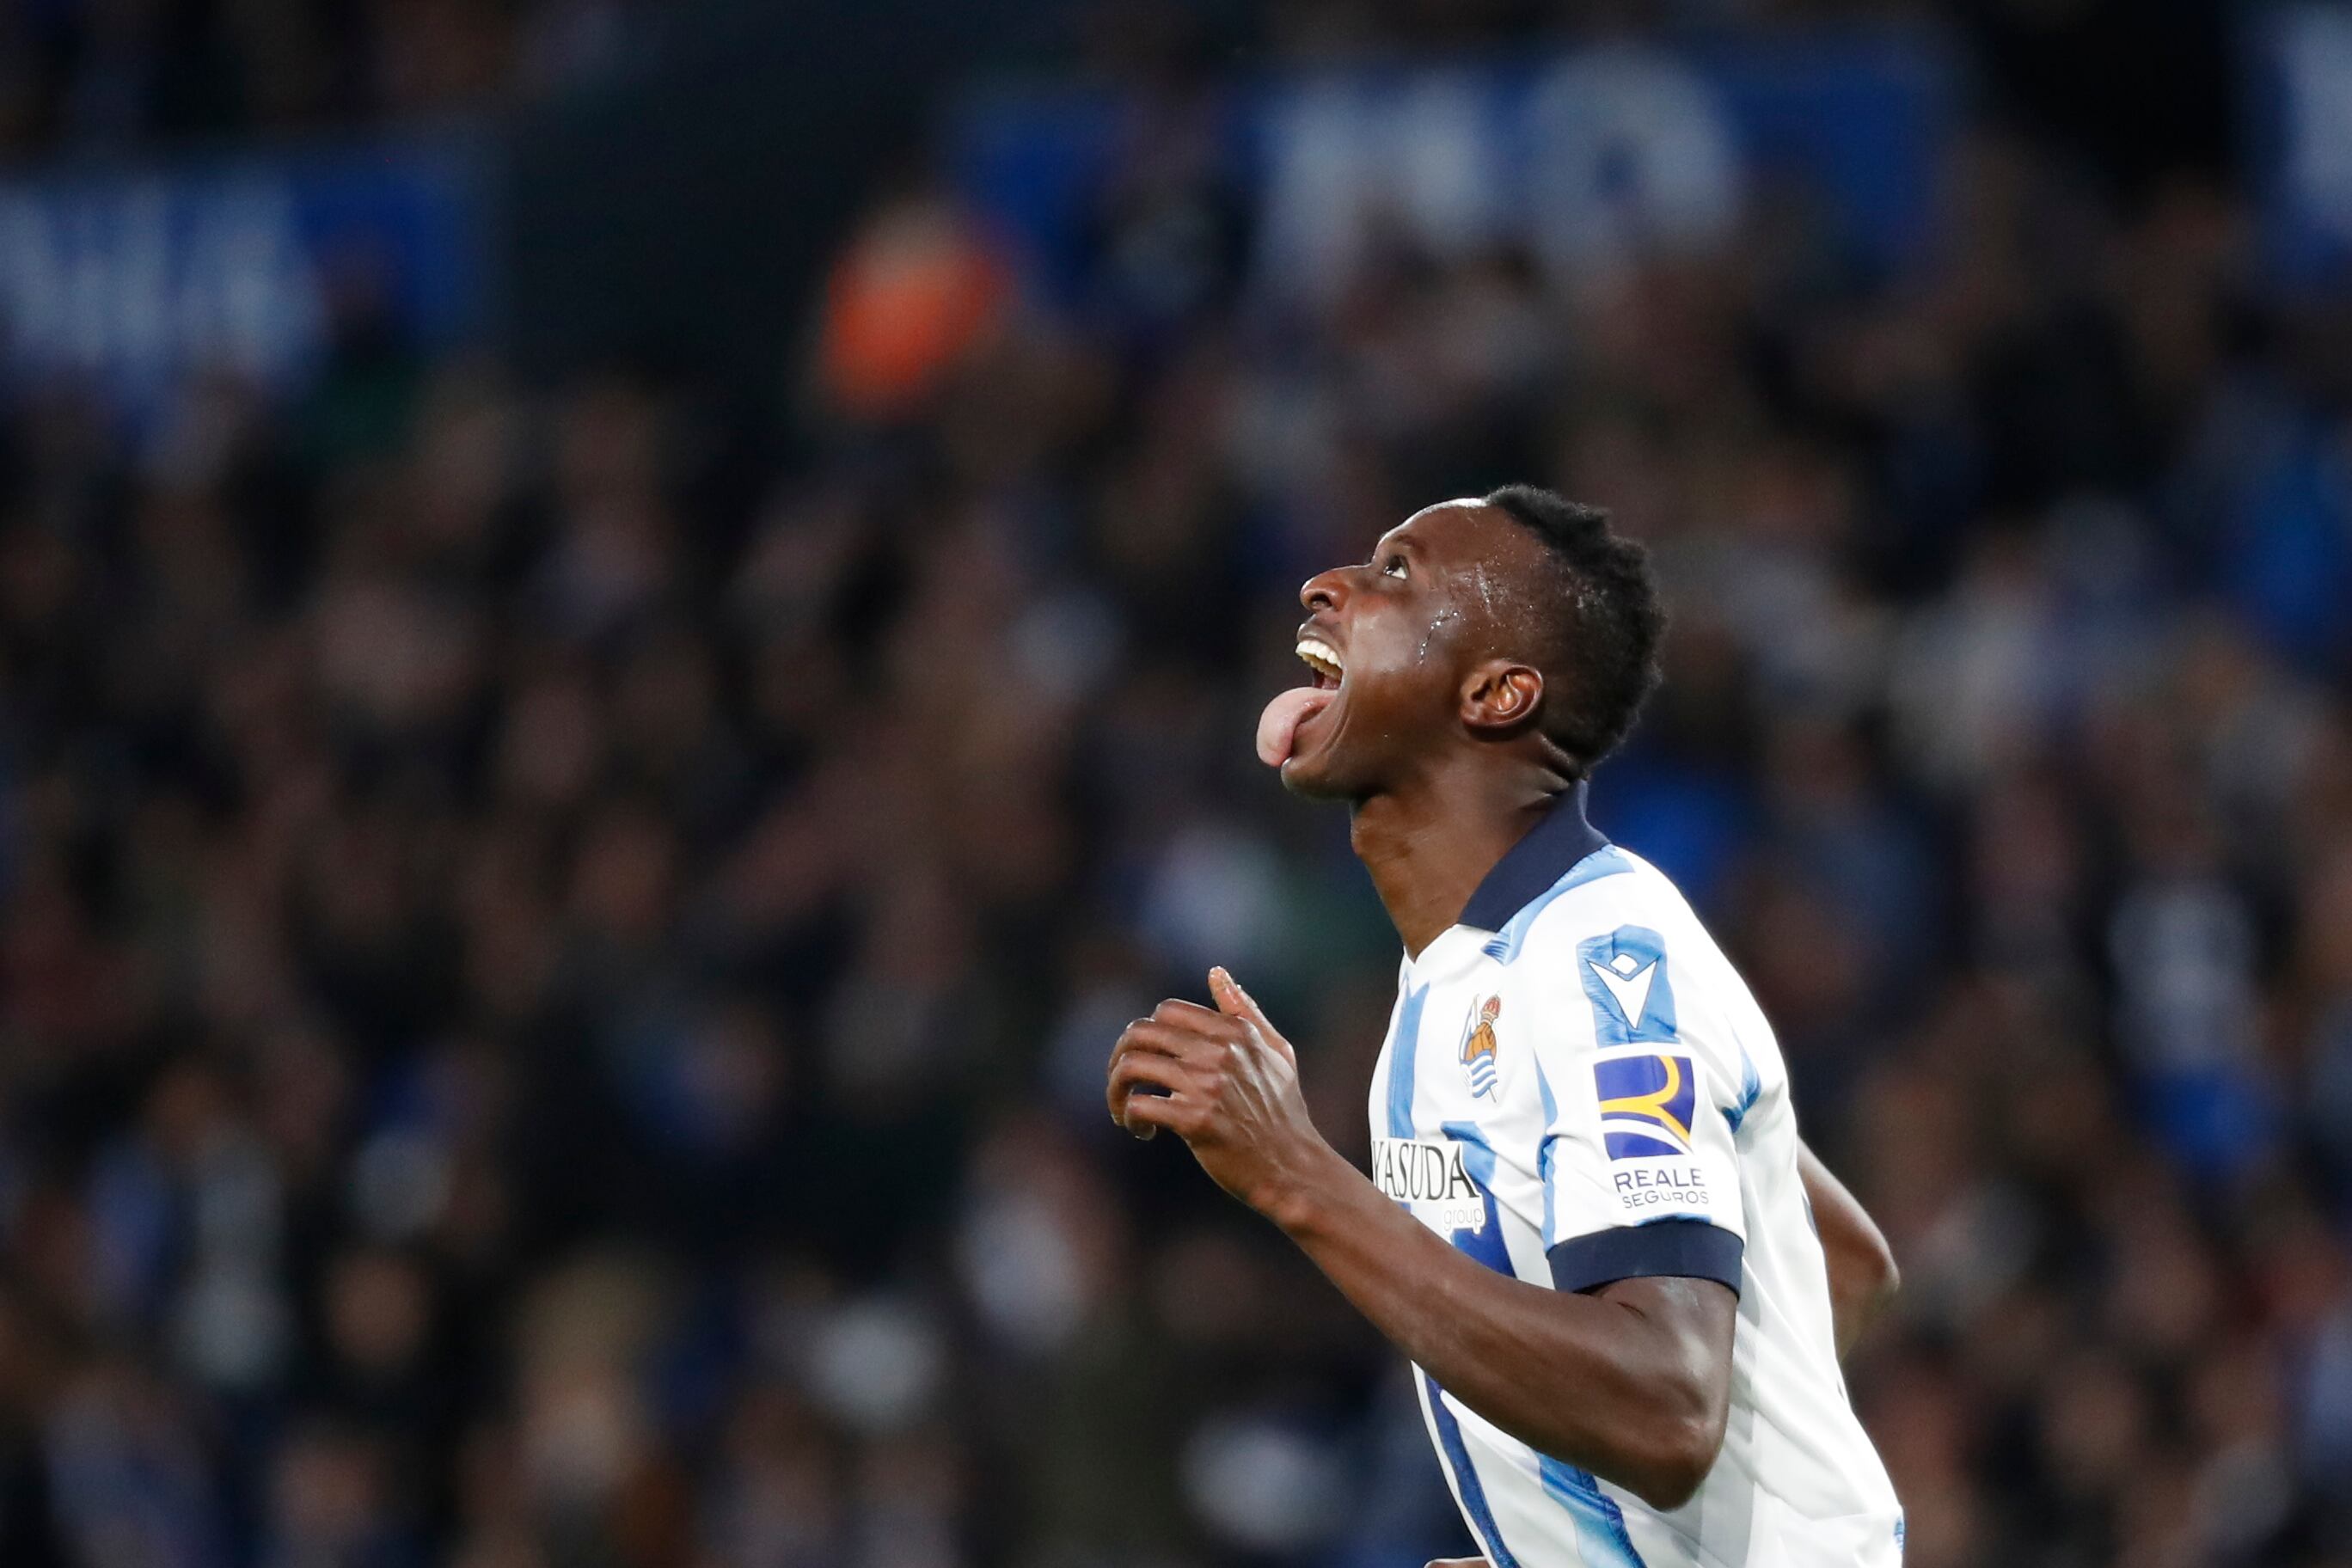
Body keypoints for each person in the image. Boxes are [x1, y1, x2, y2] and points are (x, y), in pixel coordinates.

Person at [1105, 487, 1904, 1566]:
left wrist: (1299, 1174)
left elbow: (1668, 1410)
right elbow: (1841, 1267)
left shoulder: (1598, 963)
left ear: (1495, 692)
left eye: (1398, 574)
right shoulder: (1463, 973)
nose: (1327, 586)